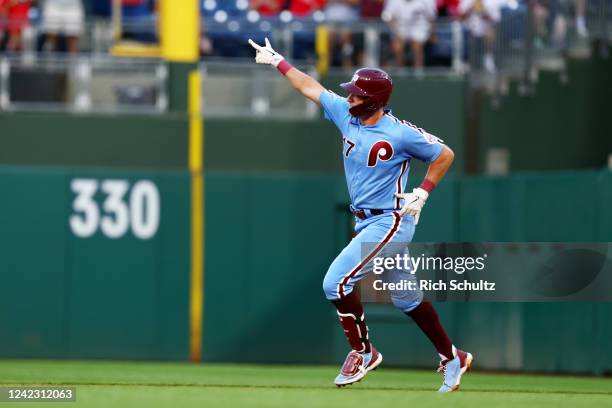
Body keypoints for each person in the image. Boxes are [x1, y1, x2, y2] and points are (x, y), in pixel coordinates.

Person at [248, 37, 474, 392]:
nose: (349, 96)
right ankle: (452, 356)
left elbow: (444, 154)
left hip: (391, 218)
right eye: (350, 92)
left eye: (355, 93)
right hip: (367, 219)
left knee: (335, 282)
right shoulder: (346, 114)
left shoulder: (398, 132)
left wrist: (423, 192)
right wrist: (277, 60)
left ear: (373, 99)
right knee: (406, 297)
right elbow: (310, 88)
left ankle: (364, 351)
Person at [384, 0, 437, 70]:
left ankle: (418, 72)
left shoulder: (427, 1)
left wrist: (432, 33)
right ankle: (401, 71)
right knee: (397, 46)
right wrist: (397, 34)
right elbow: (389, 18)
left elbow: (431, 17)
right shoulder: (393, 1)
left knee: (417, 46)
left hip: (420, 28)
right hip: (399, 28)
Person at [458, 0, 502, 72]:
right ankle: (465, 61)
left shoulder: (492, 2)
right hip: (468, 29)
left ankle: (488, 59)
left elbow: (496, 19)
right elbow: (460, 17)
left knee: (490, 34)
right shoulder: (466, 1)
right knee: (464, 33)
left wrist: (484, 11)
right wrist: (471, 8)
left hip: (485, 29)